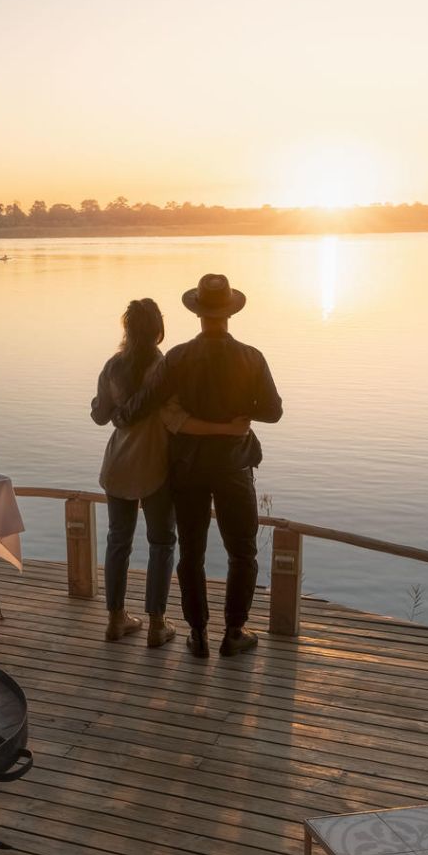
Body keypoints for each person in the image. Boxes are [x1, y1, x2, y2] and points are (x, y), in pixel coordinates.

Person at [90, 298, 247, 648]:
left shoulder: (113, 367)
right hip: (156, 468)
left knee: (119, 542)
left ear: (127, 330)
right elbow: (175, 420)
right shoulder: (167, 371)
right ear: (159, 330)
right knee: (161, 544)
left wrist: (114, 409)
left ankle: (115, 620)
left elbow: (100, 416)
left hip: (118, 466)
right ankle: (157, 624)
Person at [160, 274, 282, 658]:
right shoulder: (250, 356)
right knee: (242, 551)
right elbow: (274, 412)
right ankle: (234, 631)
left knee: (191, 552)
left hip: (188, 465)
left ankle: (197, 635)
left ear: (197, 313)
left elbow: (162, 408)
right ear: (230, 313)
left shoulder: (177, 357)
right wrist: (242, 413)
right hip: (233, 465)